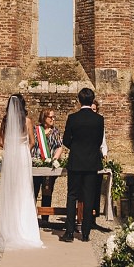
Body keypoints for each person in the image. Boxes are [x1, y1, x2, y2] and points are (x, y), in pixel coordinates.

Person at [0, 93, 44, 250]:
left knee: (11, 191)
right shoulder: (27, 121)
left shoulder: (5, 121)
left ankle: (10, 228)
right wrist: (23, 150)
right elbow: (33, 142)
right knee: (24, 190)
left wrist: (12, 149)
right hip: (22, 156)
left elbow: (1, 142)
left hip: (11, 156)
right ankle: (26, 228)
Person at [59, 87, 105, 241]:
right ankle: (85, 234)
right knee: (89, 196)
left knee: (72, 196)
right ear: (92, 100)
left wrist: (76, 148)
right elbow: (99, 141)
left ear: (79, 100)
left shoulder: (73, 118)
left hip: (76, 161)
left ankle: (70, 232)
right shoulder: (99, 119)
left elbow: (66, 140)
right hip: (92, 161)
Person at [31, 108, 61, 222]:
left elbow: (59, 146)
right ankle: (31, 218)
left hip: (49, 166)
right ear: (44, 118)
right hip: (36, 165)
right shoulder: (35, 130)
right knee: (33, 191)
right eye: (51, 117)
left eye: (54, 117)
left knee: (47, 192)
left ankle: (45, 218)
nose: (53, 119)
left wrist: (54, 159)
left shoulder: (55, 131)